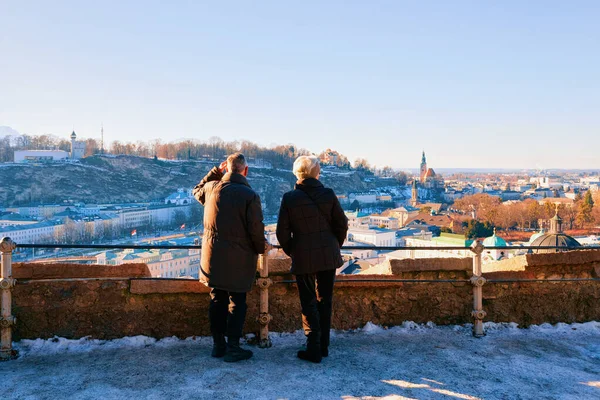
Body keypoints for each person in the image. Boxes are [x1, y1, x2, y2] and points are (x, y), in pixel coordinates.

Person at [193, 152, 266, 362]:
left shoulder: (210, 189)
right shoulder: (250, 195)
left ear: (227, 168)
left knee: (217, 299)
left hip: (213, 257)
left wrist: (215, 171)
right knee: (237, 302)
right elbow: (256, 230)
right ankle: (233, 346)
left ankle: (218, 345)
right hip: (240, 259)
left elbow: (195, 190)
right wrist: (262, 248)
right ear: (246, 170)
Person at [276, 155, 348, 363]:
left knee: (308, 302)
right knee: (325, 300)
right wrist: (334, 245)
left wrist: (294, 250)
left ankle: (313, 347)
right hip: (327, 254)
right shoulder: (328, 194)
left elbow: (282, 232)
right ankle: (323, 346)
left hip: (303, 255)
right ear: (315, 173)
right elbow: (341, 224)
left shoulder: (289, 198)